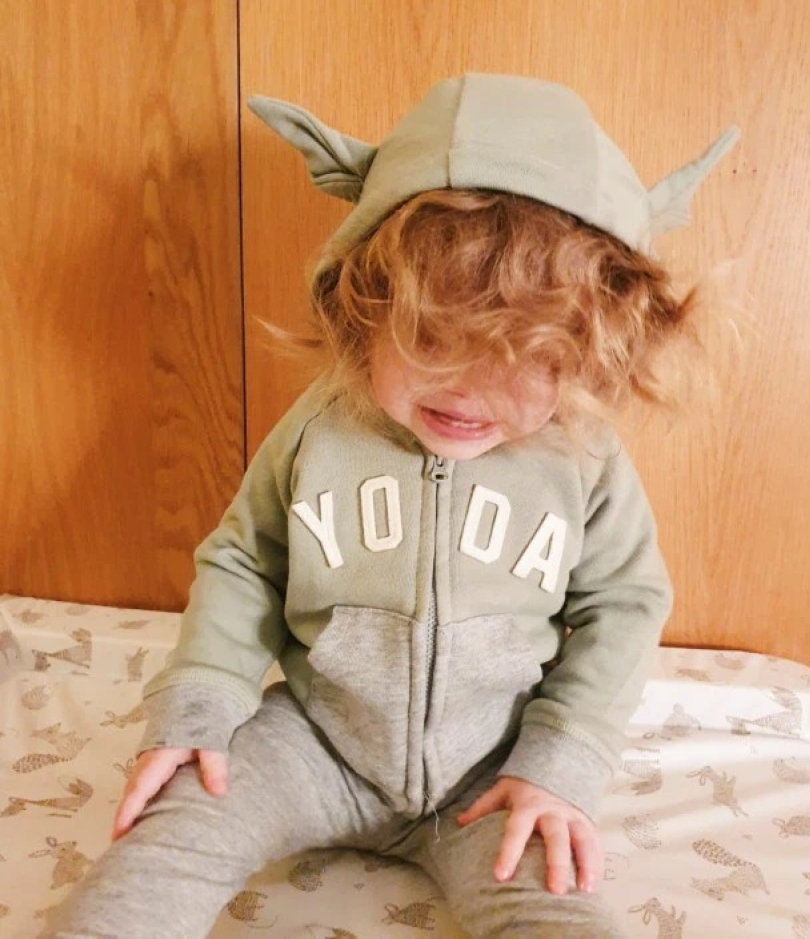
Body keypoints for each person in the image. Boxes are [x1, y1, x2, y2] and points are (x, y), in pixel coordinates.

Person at [43, 74, 738, 939]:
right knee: (170, 826)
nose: (465, 387)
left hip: (492, 770)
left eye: (521, 354)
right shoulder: (322, 427)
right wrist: (200, 706)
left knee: (558, 902)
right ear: (360, 308)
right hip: (314, 741)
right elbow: (245, 560)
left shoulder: (582, 459)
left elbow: (624, 603)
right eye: (430, 335)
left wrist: (559, 760)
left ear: (589, 354)